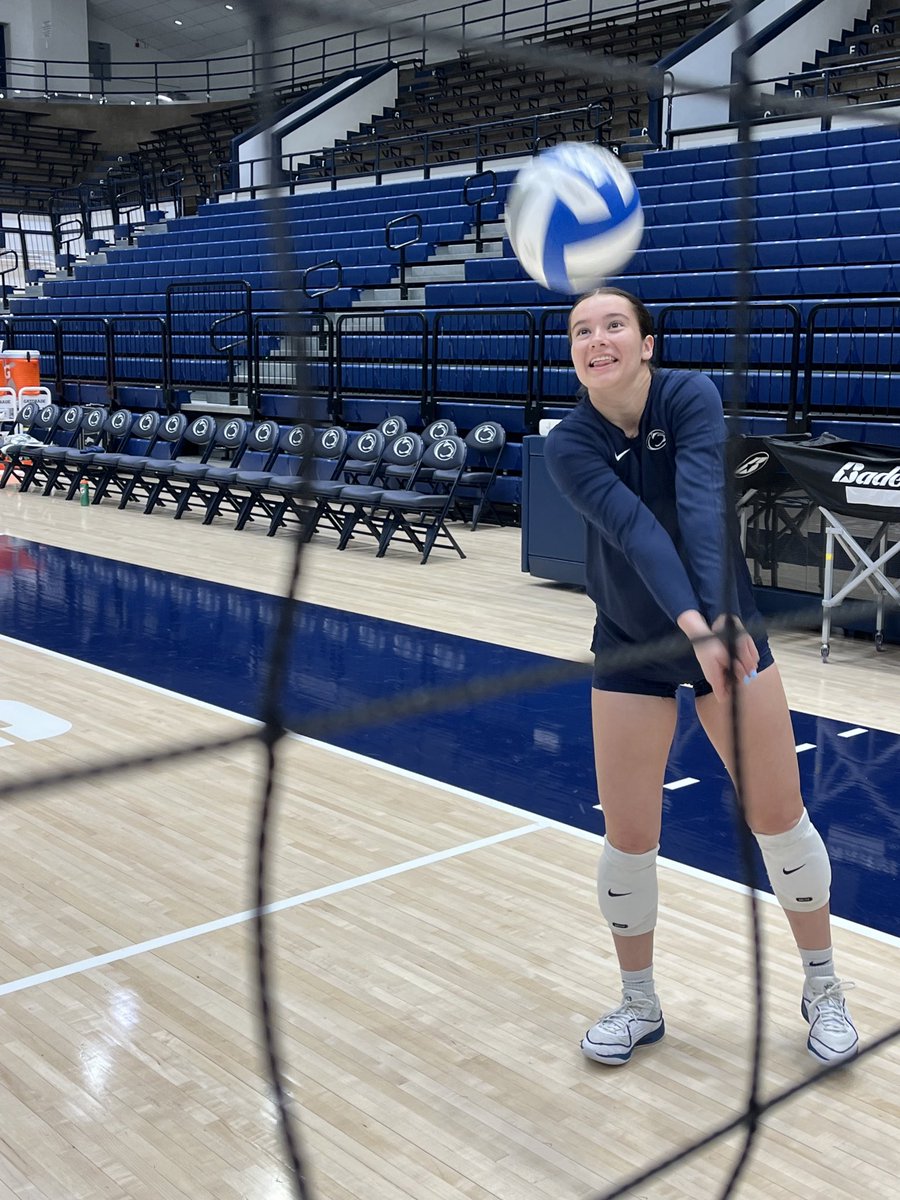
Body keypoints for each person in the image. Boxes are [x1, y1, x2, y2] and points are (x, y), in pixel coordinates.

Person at [544, 287, 858, 1067]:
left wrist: (713, 617)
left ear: (646, 343)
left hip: (726, 626)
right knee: (629, 836)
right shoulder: (568, 443)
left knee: (780, 821)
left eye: (614, 324)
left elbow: (697, 509)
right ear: (575, 354)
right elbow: (635, 530)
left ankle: (824, 991)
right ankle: (638, 1003)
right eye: (582, 330)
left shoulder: (688, 395)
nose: (597, 338)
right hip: (632, 639)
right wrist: (689, 624)